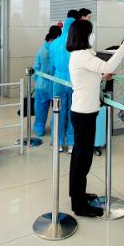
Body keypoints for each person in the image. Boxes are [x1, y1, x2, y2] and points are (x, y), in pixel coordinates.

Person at [67, 20, 124, 217]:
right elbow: (108, 66)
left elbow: (91, 75)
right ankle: (79, 205)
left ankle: (78, 194)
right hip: (83, 114)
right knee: (82, 159)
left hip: (86, 111)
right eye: (90, 32)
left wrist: (101, 78)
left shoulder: (84, 54)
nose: (92, 36)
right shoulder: (81, 55)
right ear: (84, 35)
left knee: (82, 157)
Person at [49, 9, 79, 151]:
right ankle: (72, 143)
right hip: (74, 80)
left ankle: (58, 142)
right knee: (73, 112)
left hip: (58, 80)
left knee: (58, 112)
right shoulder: (77, 43)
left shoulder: (54, 43)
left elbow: (51, 66)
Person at [33, 25, 62, 141]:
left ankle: (39, 129)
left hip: (41, 84)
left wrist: (38, 81)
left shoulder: (41, 49)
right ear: (58, 36)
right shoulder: (58, 50)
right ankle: (55, 129)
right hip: (56, 84)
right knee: (57, 109)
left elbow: (36, 67)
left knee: (40, 108)